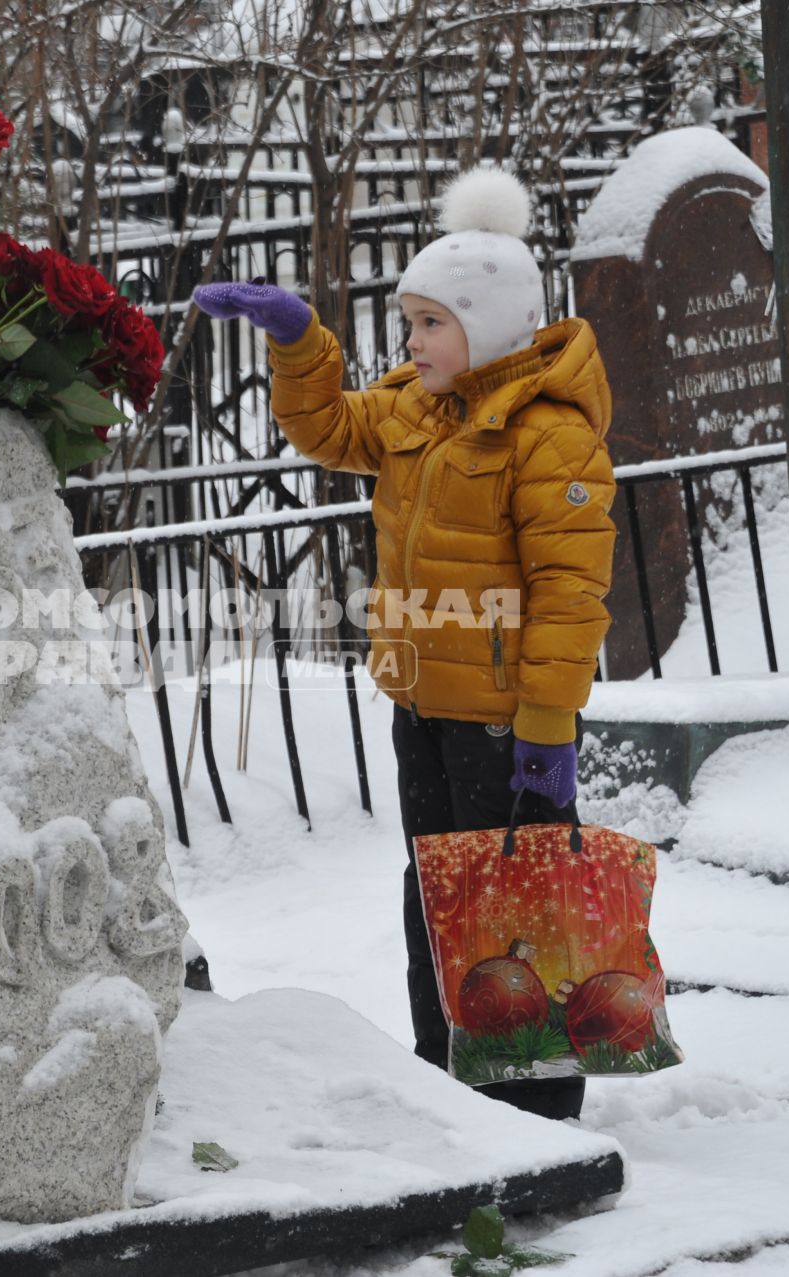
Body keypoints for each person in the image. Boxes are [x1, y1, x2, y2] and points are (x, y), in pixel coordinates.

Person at [193, 169, 615, 1122]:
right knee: (435, 895)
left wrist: (550, 725)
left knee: (511, 907)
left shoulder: (548, 439)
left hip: (508, 723)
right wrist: (300, 339)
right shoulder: (415, 413)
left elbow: (571, 593)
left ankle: (533, 1104)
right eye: (409, 321)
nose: (412, 341)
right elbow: (326, 424)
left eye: (431, 323)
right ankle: (449, 1074)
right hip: (423, 703)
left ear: (492, 329)